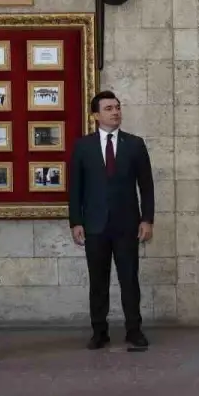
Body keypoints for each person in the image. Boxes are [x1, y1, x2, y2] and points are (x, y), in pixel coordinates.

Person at [68, 91, 155, 350]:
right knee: (98, 281)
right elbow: (75, 189)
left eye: (117, 107)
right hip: (94, 225)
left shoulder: (135, 144)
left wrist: (147, 219)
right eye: (108, 108)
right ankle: (99, 331)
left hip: (128, 224)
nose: (115, 112)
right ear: (95, 115)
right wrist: (76, 222)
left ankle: (134, 330)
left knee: (129, 279)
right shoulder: (82, 147)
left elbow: (146, 186)